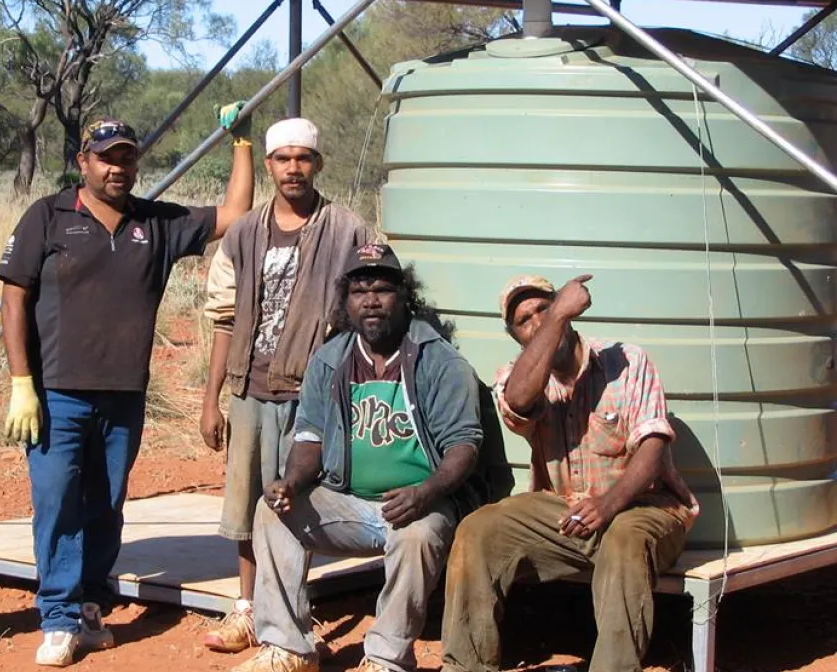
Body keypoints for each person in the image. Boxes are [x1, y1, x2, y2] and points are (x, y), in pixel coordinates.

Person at [0, 106, 255, 667]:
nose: (117, 168)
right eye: (106, 159)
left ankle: (90, 605)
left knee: (106, 503)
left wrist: (241, 144)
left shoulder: (156, 223)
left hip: (124, 394)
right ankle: (59, 617)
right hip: (57, 391)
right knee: (57, 502)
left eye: (126, 159)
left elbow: (235, 214)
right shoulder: (47, 216)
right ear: (82, 161)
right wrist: (22, 381)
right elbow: (13, 297)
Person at [233, 243, 490, 672]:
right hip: (348, 502)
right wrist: (291, 483)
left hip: (419, 505)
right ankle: (289, 648)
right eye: (358, 290)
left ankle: (386, 659)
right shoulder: (330, 360)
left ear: (405, 296)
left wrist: (425, 492)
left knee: (417, 536)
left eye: (382, 289)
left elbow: (464, 446)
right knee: (271, 511)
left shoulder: (438, 360)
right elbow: (309, 438)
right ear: (345, 301)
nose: (370, 300)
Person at [440, 274, 699, 672]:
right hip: (564, 510)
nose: (539, 321)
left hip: (645, 508)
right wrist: (558, 315)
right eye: (525, 320)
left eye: (545, 307)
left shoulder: (627, 361)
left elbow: (653, 448)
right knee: (477, 530)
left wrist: (609, 505)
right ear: (517, 337)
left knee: (624, 541)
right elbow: (519, 401)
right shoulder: (516, 377)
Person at [199, 117, 373, 654]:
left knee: (299, 502)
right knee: (248, 504)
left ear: (317, 164)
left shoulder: (348, 230)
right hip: (250, 388)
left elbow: (375, 302)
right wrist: (212, 401)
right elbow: (224, 318)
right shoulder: (245, 232)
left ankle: (294, 614)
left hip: (314, 393)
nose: (293, 168)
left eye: (303, 158)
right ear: (269, 165)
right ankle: (248, 609)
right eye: (282, 159)